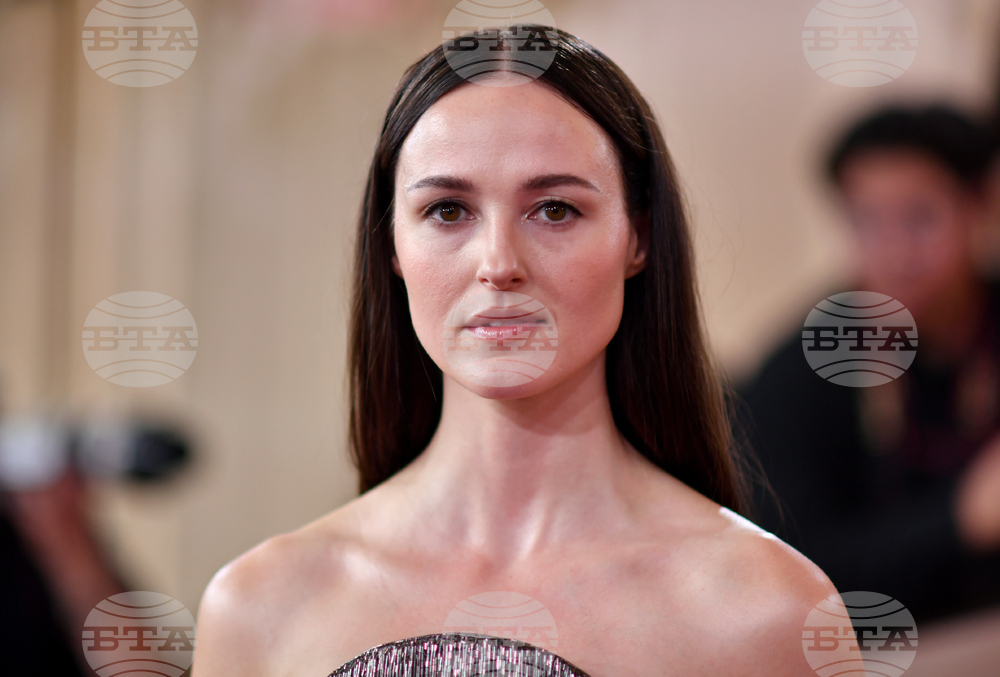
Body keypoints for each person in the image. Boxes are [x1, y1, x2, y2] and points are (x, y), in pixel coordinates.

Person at [193, 26, 843, 676]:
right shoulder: (260, 606)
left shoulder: (767, 611)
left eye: (555, 210)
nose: (499, 264)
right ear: (391, 246)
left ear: (637, 239)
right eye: (448, 211)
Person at [735, 104, 1000, 626]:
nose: (894, 251)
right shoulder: (802, 374)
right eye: (867, 221)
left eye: (919, 218)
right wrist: (961, 520)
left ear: (980, 208)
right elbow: (791, 579)